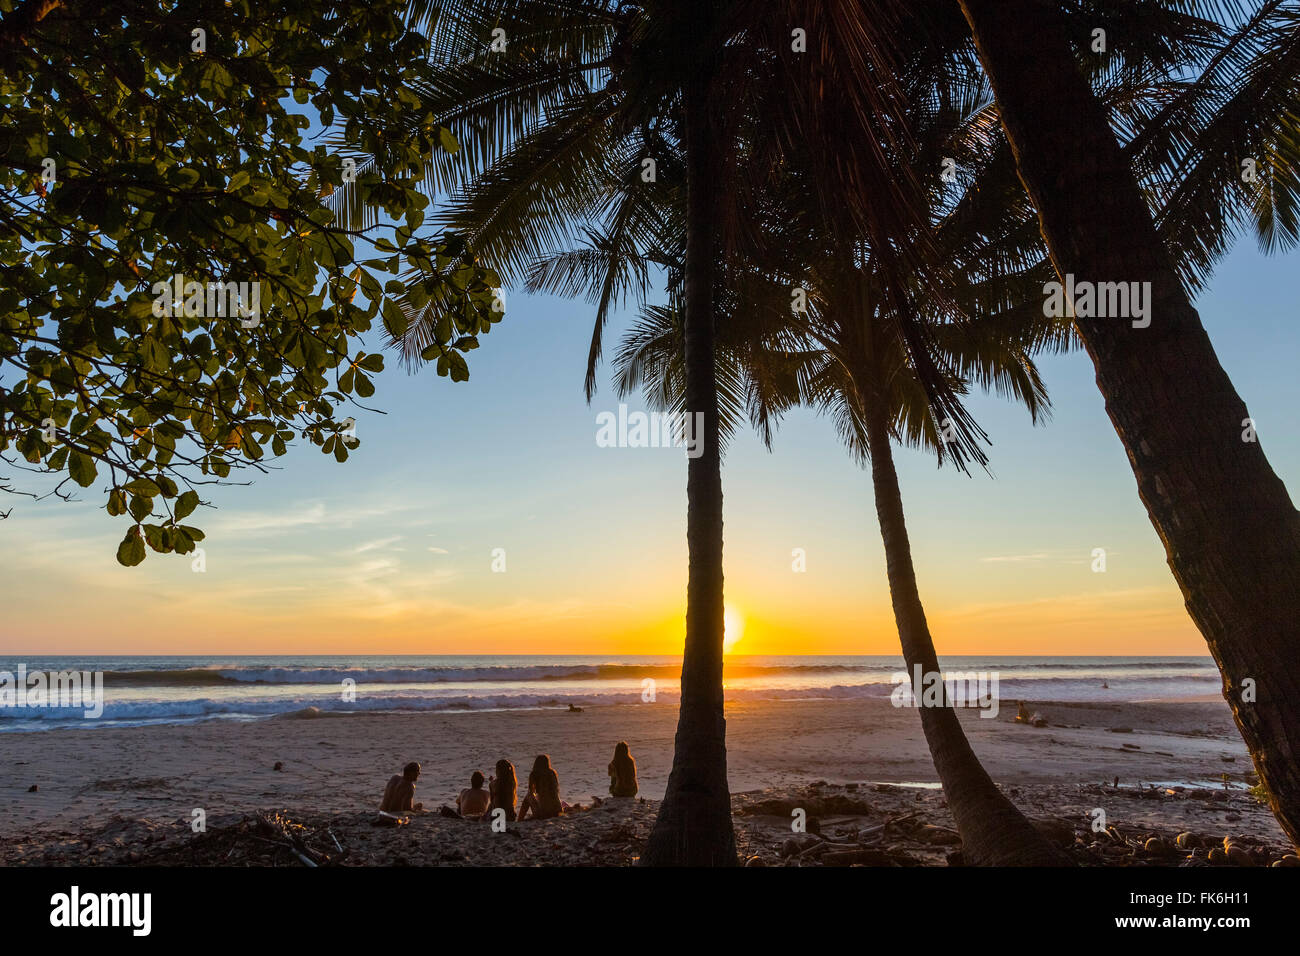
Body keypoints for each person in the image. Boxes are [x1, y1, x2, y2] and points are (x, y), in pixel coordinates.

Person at [516, 754, 563, 821]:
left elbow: (531, 792)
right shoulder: (552, 773)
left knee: (528, 797)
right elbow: (556, 790)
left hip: (544, 814)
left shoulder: (534, 773)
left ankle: (519, 819)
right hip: (558, 811)